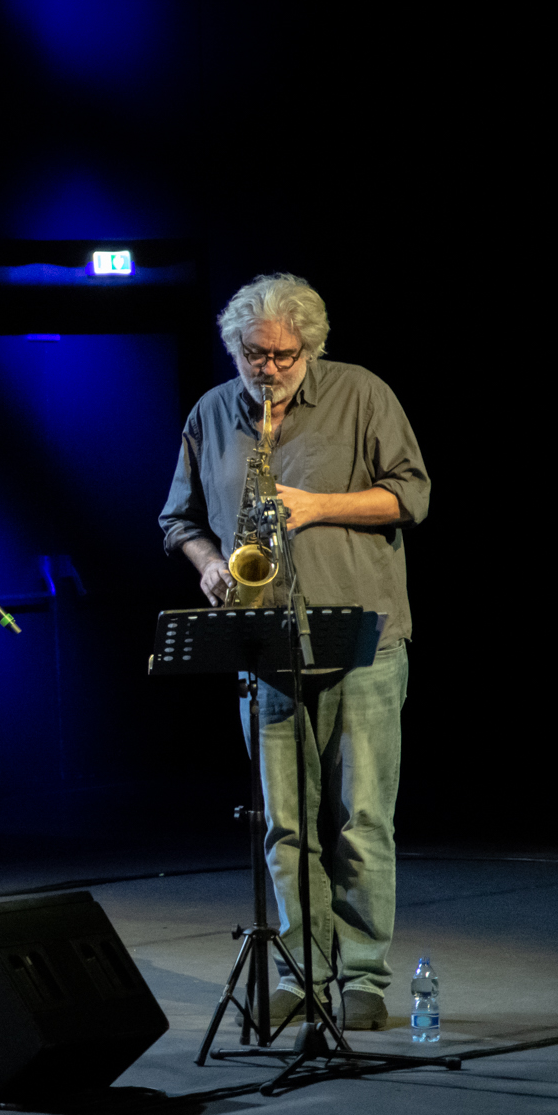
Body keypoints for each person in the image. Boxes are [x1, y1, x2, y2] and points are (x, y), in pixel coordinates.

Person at [158, 274, 430, 1032]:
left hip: (365, 641)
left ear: (309, 347)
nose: (267, 370)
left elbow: (413, 494)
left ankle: (365, 977)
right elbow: (175, 517)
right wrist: (211, 563)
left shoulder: (362, 394)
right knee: (284, 826)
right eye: (253, 355)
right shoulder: (212, 413)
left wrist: (315, 506)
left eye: (282, 355)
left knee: (363, 818)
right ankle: (299, 971)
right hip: (264, 644)